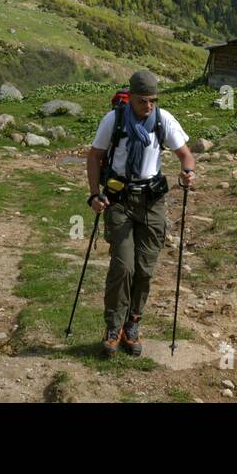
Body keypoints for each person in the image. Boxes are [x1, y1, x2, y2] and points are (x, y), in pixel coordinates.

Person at [85, 69, 194, 357]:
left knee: (145, 269)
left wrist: (188, 172)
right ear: (131, 97)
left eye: (154, 100)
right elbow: (94, 156)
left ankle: (133, 324)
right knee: (123, 266)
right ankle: (113, 327)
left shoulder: (163, 119)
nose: (149, 106)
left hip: (152, 201)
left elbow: (185, 154)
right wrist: (95, 195)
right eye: (144, 100)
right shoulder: (114, 120)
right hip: (119, 200)